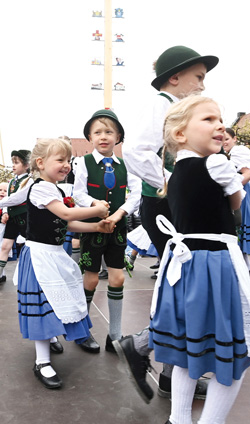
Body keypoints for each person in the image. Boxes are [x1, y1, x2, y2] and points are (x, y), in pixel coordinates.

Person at [118, 95, 250, 423]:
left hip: (184, 265)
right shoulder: (217, 164)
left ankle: (179, 419)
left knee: (188, 352)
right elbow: (237, 205)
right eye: (209, 119)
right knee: (232, 358)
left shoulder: (172, 174)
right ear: (180, 134)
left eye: (220, 119)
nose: (220, 125)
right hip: (216, 265)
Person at [119, 45, 218, 403]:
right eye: (198, 78)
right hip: (166, 206)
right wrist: (172, 180)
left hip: (175, 205)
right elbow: (134, 151)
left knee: (183, 284)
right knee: (185, 286)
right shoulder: (160, 106)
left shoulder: (174, 110)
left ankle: (168, 373)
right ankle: (145, 346)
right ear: (174, 78)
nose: (202, 86)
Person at [14, 137, 113, 390]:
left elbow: (66, 223)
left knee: (57, 300)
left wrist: (96, 227)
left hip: (54, 254)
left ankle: (49, 340)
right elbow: (68, 214)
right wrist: (97, 210)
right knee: (43, 304)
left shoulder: (55, 190)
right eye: (60, 160)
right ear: (40, 162)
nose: (66, 165)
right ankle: (42, 361)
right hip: (39, 256)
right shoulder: (40, 188)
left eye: (68, 160)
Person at [73, 109, 141, 354]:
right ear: (90, 137)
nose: (103, 136)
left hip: (118, 228)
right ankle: (81, 329)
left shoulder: (125, 165)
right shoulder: (84, 163)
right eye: (98, 132)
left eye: (109, 132)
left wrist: (118, 214)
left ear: (118, 136)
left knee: (118, 277)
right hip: (93, 228)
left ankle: (115, 335)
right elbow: (77, 192)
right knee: (90, 279)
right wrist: (96, 206)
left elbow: (136, 194)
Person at [0, 150, 32, 288]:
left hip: (24, 217)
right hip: (12, 218)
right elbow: (8, 199)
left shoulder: (29, 181)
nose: (13, 166)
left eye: (17, 163)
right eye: (13, 163)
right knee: (5, 246)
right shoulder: (12, 182)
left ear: (26, 165)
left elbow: (17, 198)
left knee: (32, 245)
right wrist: (5, 212)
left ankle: (35, 275)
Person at [222, 128, 250, 279]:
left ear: (234, 139)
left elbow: (248, 173)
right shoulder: (223, 154)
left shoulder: (238, 151)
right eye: (222, 139)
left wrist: (230, 188)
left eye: (227, 139)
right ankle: (247, 267)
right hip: (236, 190)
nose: (224, 142)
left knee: (237, 226)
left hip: (240, 191)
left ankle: (246, 267)